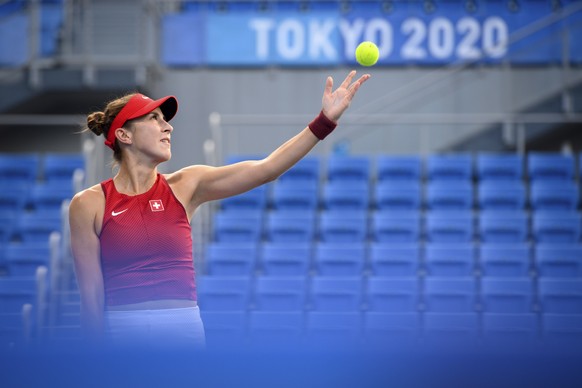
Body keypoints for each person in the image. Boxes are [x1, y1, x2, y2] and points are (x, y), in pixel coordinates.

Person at [68, 70, 370, 350]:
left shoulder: (187, 184)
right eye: (154, 118)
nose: (167, 126)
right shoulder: (88, 204)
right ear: (124, 135)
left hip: (183, 332)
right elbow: (91, 301)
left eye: (165, 119)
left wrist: (324, 121)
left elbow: (267, 169)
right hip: (122, 335)